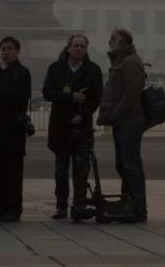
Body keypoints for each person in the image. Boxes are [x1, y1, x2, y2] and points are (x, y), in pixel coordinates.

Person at [42, 34, 103, 220]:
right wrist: (69, 97)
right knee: (61, 170)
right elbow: (47, 92)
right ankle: (61, 206)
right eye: (75, 45)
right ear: (68, 48)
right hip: (61, 126)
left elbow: (96, 98)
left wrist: (83, 115)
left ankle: (79, 205)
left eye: (82, 46)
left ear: (86, 49)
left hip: (81, 127)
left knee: (81, 170)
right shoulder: (55, 68)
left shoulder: (93, 70)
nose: (79, 49)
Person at [97, 28, 149, 222]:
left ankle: (138, 207)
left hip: (129, 122)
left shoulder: (130, 62)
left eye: (113, 39)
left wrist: (115, 114)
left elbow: (131, 94)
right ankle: (129, 205)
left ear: (124, 42)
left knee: (131, 166)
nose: (109, 41)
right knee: (125, 165)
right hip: (123, 122)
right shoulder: (122, 61)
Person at [0, 37, 32, 222]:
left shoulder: (22, 73)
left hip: (13, 131)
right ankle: (0, 206)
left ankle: (14, 208)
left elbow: (18, 97)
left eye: (9, 49)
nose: (6, 52)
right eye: (3, 49)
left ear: (18, 51)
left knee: (13, 173)